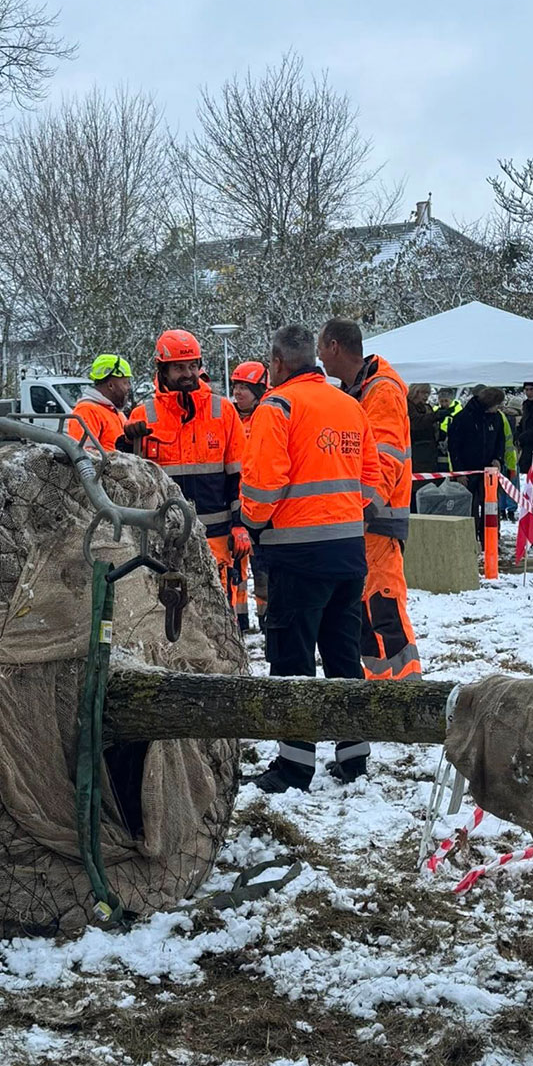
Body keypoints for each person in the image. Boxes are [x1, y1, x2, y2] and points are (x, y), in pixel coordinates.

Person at [241, 324, 381, 793]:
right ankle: (354, 759)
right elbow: (370, 480)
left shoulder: (277, 407)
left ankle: (294, 767)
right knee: (344, 656)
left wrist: (254, 522)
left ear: (278, 363)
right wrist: (340, 515)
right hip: (348, 551)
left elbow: (263, 485)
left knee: (291, 661)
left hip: (296, 556)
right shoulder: (348, 404)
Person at [318, 318, 423, 687]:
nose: (319, 357)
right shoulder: (358, 391)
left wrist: (364, 511)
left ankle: (407, 691)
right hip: (362, 522)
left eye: (321, 347)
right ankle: (379, 690)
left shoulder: (381, 391)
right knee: (365, 614)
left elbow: (386, 461)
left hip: (376, 521)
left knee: (384, 608)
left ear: (334, 346)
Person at [123, 329, 249, 605]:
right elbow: (130, 479)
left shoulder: (223, 411)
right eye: (179, 367)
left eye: (193, 366)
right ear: (162, 370)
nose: (188, 374)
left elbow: (240, 475)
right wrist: (126, 444)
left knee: (217, 607)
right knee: (166, 609)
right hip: (164, 537)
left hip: (215, 536)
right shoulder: (143, 415)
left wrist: (240, 524)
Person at [230, 361, 270, 632]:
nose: (238, 392)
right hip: (235, 507)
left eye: (244, 387)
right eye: (236, 386)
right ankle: (239, 621)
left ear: (258, 390)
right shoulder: (229, 418)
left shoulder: (267, 417)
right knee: (236, 570)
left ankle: (267, 620)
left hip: (261, 508)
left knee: (264, 571)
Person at [446, 385, 506, 540]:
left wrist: (498, 458)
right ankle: (469, 539)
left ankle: (490, 539)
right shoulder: (463, 418)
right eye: (497, 405)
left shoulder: (497, 418)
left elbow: (501, 440)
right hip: (467, 471)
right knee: (469, 508)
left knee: (491, 507)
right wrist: (459, 472)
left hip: (489, 471)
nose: (499, 408)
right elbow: (454, 447)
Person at [66, 354, 133, 451]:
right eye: (125, 383)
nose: (129, 387)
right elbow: (84, 455)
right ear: (111, 385)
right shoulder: (87, 411)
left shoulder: (115, 412)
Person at [407, 382, 439, 510]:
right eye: (424, 393)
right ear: (416, 392)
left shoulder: (426, 407)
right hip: (415, 455)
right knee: (415, 492)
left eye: (428, 393)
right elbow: (415, 423)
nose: (426, 396)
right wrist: (435, 416)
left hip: (428, 456)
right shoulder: (407, 406)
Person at [435, 388, 462, 466]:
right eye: (441, 401)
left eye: (446, 401)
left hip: (453, 442)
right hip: (439, 443)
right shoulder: (436, 410)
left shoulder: (458, 410)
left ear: (451, 400)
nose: (444, 404)